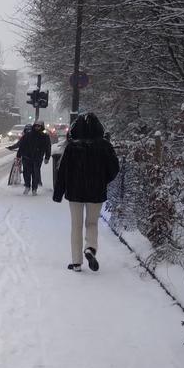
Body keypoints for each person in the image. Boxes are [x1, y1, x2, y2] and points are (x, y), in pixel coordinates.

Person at [53, 112, 121, 272]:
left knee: (76, 225)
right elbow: (114, 168)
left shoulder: (71, 147)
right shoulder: (104, 146)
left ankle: (76, 262)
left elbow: (62, 171)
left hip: (75, 192)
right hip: (96, 192)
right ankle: (90, 248)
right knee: (92, 223)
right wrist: (103, 180)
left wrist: (58, 192)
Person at [7, 123, 51, 195]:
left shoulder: (44, 136)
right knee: (26, 173)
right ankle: (27, 186)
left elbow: (48, 147)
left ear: (41, 127)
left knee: (35, 173)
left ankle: (34, 188)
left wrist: (47, 157)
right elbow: (21, 145)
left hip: (38, 157)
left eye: (39, 126)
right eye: (36, 126)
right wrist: (19, 155)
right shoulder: (27, 135)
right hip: (27, 157)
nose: (37, 127)